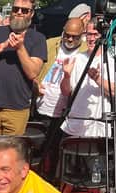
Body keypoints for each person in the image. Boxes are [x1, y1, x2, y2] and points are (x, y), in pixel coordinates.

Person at [0, 0, 46, 136]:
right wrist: (3, 45)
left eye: (24, 10)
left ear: (31, 14)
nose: (19, 13)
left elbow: (32, 72)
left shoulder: (38, 38)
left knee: (12, 152)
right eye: (16, 9)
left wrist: (20, 48)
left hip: (17, 108)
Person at [35, 17, 85, 179]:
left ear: (82, 35)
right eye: (67, 35)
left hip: (66, 111)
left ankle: (52, 182)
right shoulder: (50, 44)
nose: (70, 39)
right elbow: (34, 67)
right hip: (42, 107)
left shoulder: (85, 52)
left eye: (75, 36)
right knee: (38, 149)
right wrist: (35, 83)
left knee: (58, 152)